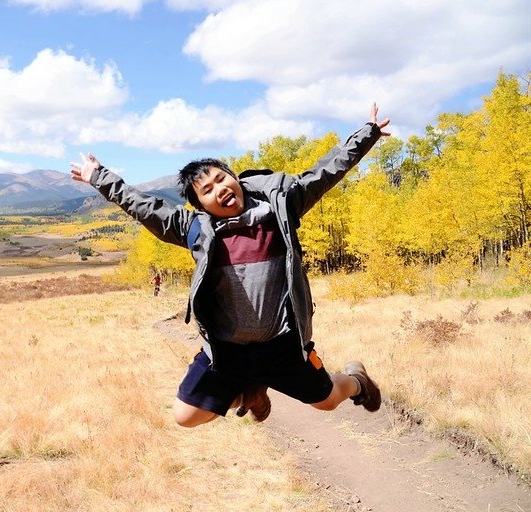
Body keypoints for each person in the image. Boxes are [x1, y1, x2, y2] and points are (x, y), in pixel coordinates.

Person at [69, 103, 391, 428]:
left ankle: (357, 380)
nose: (220, 189)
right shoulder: (194, 229)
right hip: (229, 353)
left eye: (221, 179)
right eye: (207, 190)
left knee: (328, 401)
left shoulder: (281, 207)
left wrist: (368, 133)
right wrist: (99, 176)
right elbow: (144, 207)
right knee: (185, 416)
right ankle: (249, 389)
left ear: (234, 177)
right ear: (200, 206)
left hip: (283, 346)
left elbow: (327, 171)